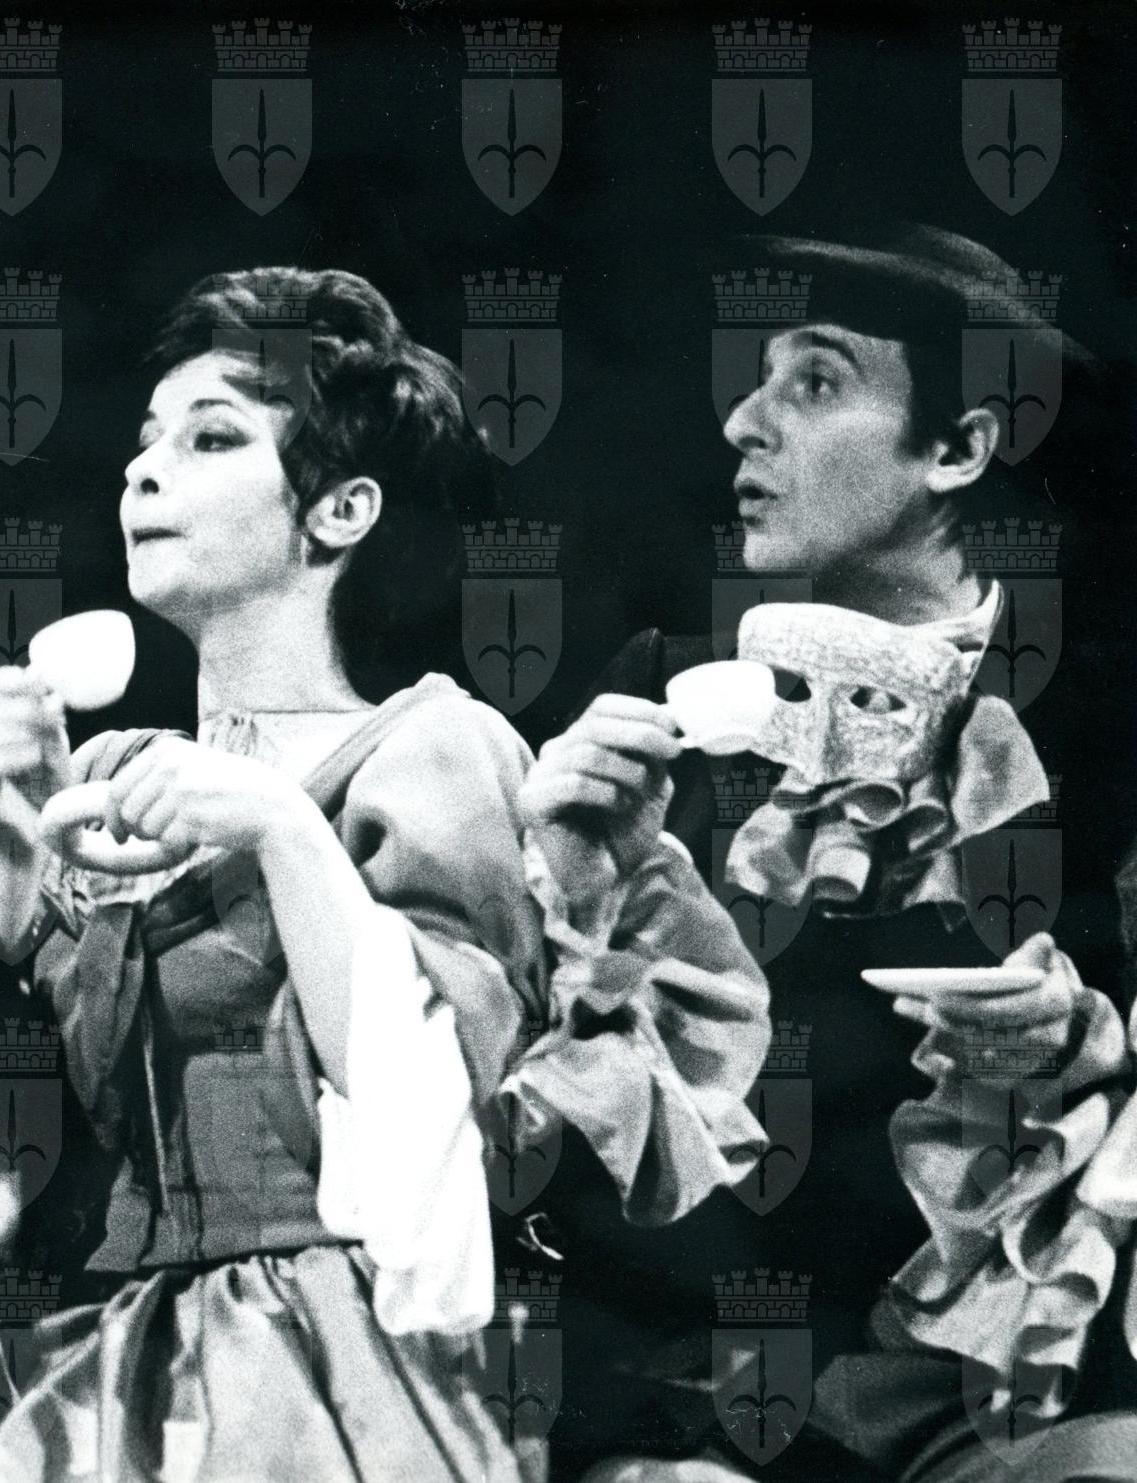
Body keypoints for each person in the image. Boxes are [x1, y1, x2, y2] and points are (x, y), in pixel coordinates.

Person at [0, 267, 772, 1481]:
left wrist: (285, 831)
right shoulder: (117, 769)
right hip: (141, 1342)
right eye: (146, 439)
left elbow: (440, 1127)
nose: (141, 472)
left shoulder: (432, 746)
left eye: (210, 437)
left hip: (365, 1341)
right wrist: (16, 843)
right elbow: (69, 1122)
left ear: (338, 512)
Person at [520, 225, 1137, 1481]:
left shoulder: (1099, 719)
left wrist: (1081, 1044)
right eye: (755, 382)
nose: (742, 424)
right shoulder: (658, 698)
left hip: (982, 1374)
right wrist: (563, 886)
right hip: (691, 1372)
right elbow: (547, 1103)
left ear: (957, 449)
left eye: (812, 382)